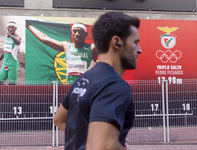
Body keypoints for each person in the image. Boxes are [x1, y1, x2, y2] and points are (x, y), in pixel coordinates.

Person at [53, 11, 142, 150]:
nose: (139, 49)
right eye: (135, 42)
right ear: (116, 42)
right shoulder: (114, 86)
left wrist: (90, 139)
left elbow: (59, 119)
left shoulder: (82, 80)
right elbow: (102, 146)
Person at [26, 22, 97, 84]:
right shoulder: (66, 46)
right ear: (71, 34)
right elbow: (44, 38)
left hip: (87, 88)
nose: (77, 34)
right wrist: (28, 25)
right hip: (70, 88)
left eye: (80, 32)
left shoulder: (92, 48)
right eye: (74, 31)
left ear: (86, 34)